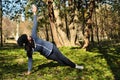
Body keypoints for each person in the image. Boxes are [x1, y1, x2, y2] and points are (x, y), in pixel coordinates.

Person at [17, 4, 84, 75]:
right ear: (26, 41)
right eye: (27, 37)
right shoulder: (29, 49)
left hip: (52, 47)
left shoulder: (33, 36)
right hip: (48, 55)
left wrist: (34, 13)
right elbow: (30, 60)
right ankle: (68, 65)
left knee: (63, 58)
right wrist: (29, 71)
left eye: (27, 35)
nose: (29, 36)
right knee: (60, 61)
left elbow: (35, 24)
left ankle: (76, 66)